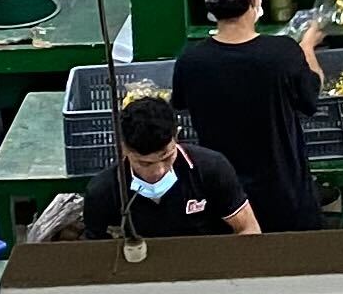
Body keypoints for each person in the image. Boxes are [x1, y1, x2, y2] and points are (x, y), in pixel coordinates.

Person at [169, 0, 323, 233]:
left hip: (225, 200)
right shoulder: (282, 53)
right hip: (284, 196)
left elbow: (179, 104)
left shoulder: (191, 61)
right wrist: (308, 47)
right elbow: (311, 98)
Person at [81, 91, 259, 241]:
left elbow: (248, 229)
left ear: (176, 136)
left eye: (166, 157)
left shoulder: (211, 169)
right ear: (123, 149)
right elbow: (94, 254)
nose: (158, 171)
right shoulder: (103, 191)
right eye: (144, 163)